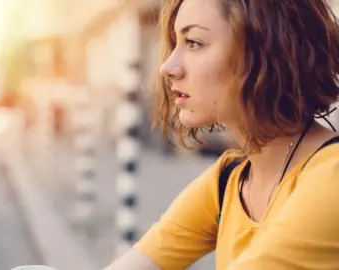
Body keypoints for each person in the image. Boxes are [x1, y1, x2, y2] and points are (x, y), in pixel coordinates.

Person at [104, 0, 339, 269]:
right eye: (175, 43)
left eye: (193, 43)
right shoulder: (230, 179)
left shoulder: (331, 180)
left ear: (265, 52)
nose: (168, 67)